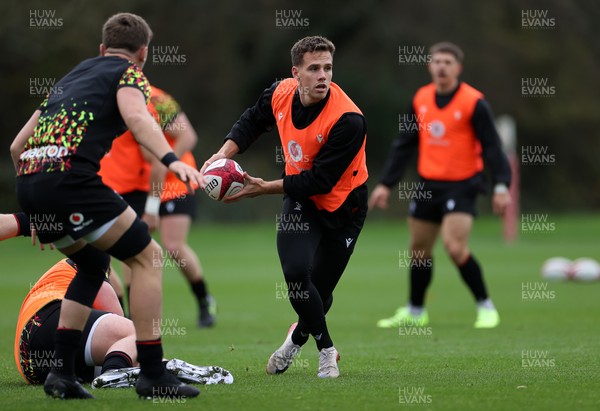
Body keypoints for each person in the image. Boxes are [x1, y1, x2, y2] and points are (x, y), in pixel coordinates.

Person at [10, 13, 201, 399]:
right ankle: (151, 373)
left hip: (31, 181)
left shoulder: (72, 76)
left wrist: (35, 194)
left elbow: (18, 145)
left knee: (94, 264)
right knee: (149, 257)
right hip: (72, 181)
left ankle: (61, 374)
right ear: (142, 54)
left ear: (101, 49)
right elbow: (137, 118)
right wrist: (171, 160)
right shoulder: (129, 74)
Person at [200, 36, 368, 379]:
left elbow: (319, 181)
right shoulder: (279, 92)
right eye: (314, 68)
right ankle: (327, 352)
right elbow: (251, 122)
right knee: (295, 275)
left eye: (328, 68)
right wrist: (222, 156)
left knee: (319, 293)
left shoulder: (349, 120)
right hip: (301, 201)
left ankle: (294, 341)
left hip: (343, 209)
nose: (323, 76)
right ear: (296, 73)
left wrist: (261, 189)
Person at [369, 42, 511, 329]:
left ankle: (486, 307)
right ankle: (416, 311)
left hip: (463, 185)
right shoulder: (421, 98)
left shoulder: (474, 102)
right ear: (429, 66)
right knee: (419, 249)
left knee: (455, 247)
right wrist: (386, 183)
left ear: (458, 68)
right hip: (427, 184)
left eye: (448, 62)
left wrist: (501, 185)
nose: (442, 66)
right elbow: (404, 144)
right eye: (437, 61)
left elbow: (492, 147)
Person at [2, 213, 232, 388]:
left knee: (130, 349)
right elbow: (117, 318)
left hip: (32, 364)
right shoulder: (88, 262)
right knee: (138, 334)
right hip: (46, 322)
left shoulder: (82, 265)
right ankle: (119, 372)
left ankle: (162, 368)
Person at [99, 86, 216, 327]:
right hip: (139, 186)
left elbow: (188, 136)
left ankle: (204, 299)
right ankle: (130, 315)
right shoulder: (107, 99)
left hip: (174, 182)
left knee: (173, 246)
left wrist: (169, 161)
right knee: (129, 252)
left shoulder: (156, 99)